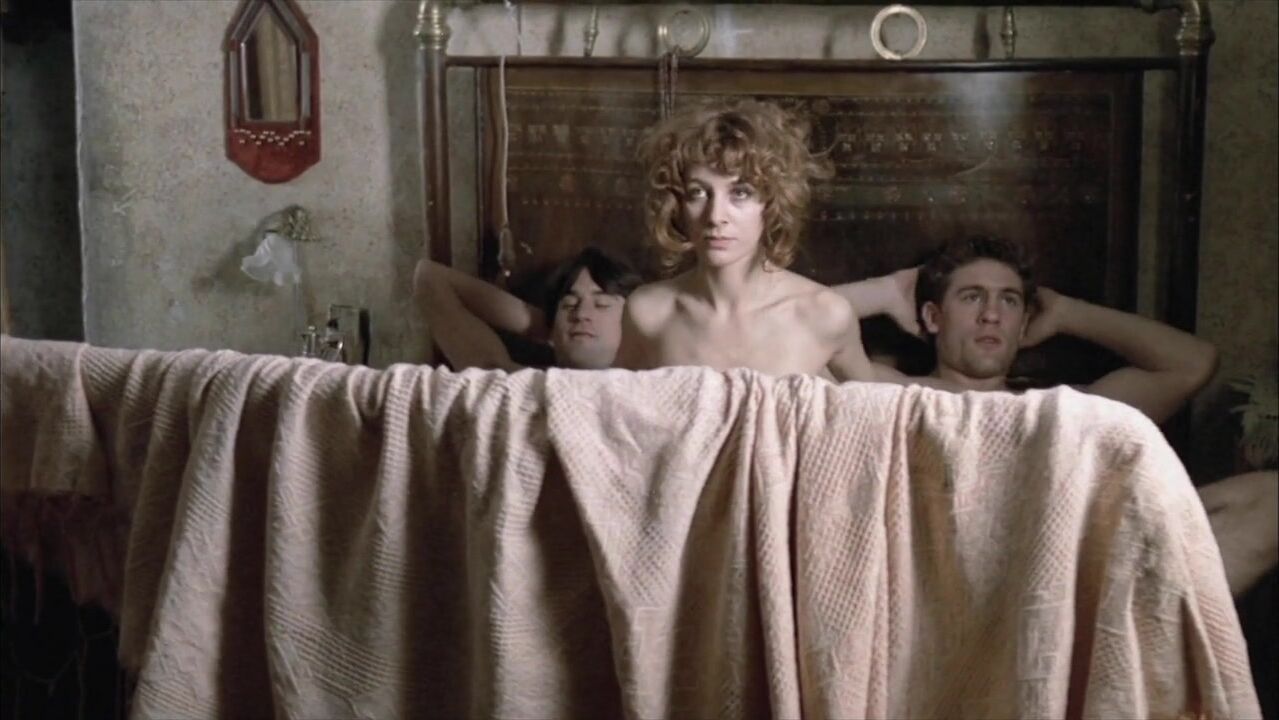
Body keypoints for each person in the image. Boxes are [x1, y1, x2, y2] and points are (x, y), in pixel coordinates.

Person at [614, 100, 875, 381]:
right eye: (697, 193)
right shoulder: (650, 313)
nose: (715, 216)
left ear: (773, 202)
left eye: (740, 193)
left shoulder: (825, 315)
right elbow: (613, 404)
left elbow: (873, 407)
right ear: (677, 204)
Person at [841, 234, 1219, 425]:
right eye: (972, 297)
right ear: (933, 317)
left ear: (1023, 324)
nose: (991, 315)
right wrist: (885, 293)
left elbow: (1193, 364)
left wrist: (1065, 313)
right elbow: (801, 334)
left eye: (1008, 301)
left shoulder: (1061, 411)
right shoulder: (889, 392)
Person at [413, 247, 640, 371]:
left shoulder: (648, 391)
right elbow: (429, 277)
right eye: (569, 305)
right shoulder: (518, 385)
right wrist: (549, 327)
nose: (581, 314)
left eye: (601, 305)